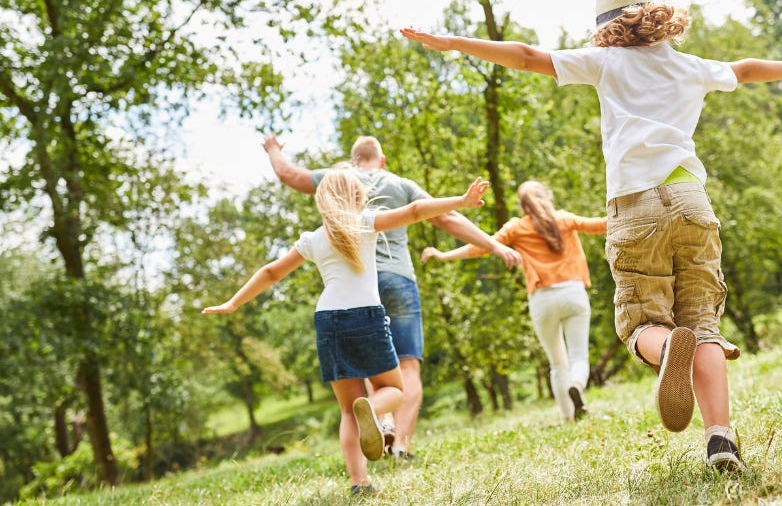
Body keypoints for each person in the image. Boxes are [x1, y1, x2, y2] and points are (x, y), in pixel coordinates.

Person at [400, 0, 782, 471]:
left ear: (606, 28)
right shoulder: (689, 66)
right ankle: (720, 441)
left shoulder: (606, 63)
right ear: (655, 16)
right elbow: (743, 69)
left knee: (640, 322)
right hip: (691, 201)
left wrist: (454, 42)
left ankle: (666, 348)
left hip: (635, 205)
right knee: (702, 324)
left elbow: (527, 56)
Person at [203, 170, 491, 494]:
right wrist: (461, 200)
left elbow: (271, 272)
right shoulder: (365, 223)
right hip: (365, 316)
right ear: (357, 197)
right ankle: (373, 408)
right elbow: (414, 211)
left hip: (327, 320)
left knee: (347, 409)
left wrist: (233, 302)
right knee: (394, 390)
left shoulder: (313, 239)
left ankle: (359, 483)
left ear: (322, 201)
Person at [263, 134, 520, 461]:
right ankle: (402, 446)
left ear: (353, 160)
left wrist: (274, 149)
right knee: (407, 366)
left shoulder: (337, 179)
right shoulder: (400, 183)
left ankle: (382, 421)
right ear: (382, 160)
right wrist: (494, 245)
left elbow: (289, 175)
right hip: (398, 280)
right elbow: (444, 216)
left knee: (374, 364)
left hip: (356, 286)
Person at [420, 180, 607, 423]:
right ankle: (576, 385)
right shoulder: (564, 219)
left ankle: (567, 418)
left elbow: (482, 246)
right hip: (573, 293)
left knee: (557, 363)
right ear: (546, 197)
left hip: (542, 300)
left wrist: (444, 255)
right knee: (578, 357)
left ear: (522, 205)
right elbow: (602, 224)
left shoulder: (517, 227)